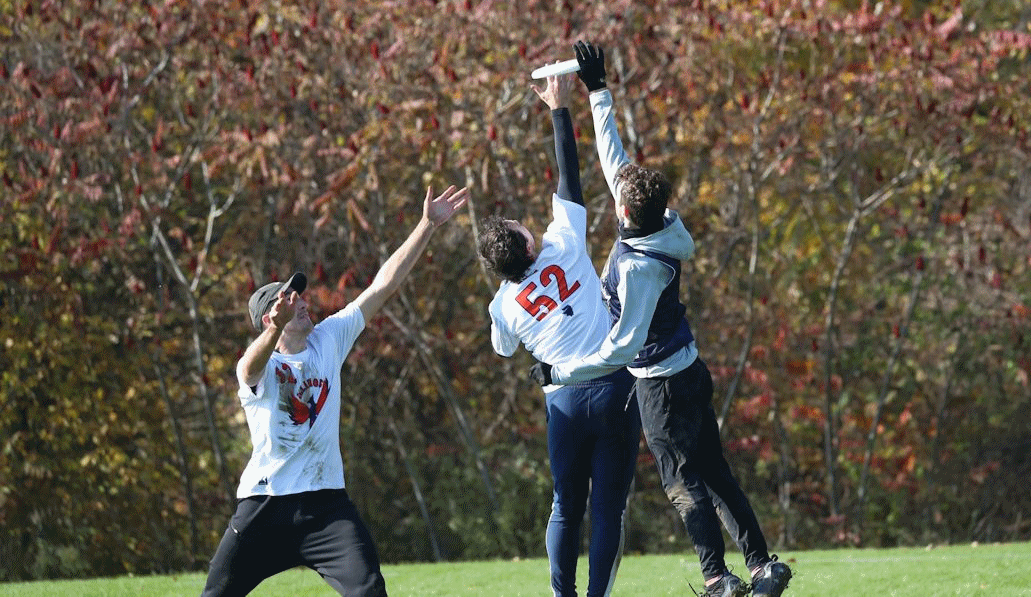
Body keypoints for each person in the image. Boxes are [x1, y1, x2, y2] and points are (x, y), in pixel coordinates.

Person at [532, 41, 793, 597]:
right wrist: (598, 91)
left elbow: (622, 349)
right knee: (715, 469)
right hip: (690, 369)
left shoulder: (638, 270)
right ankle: (762, 565)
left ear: (624, 211)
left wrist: (560, 373)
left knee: (682, 482)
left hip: (662, 386)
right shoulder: (661, 222)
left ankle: (717, 577)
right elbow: (615, 161)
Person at [200, 182, 470, 597]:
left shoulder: (328, 339)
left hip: (326, 505)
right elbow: (248, 368)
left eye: (299, 295)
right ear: (270, 319)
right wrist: (273, 332)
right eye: (289, 301)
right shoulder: (263, 367)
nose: (301, 301)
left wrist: (426, 226)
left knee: (369, 591)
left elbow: (382, 286)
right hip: (265, 505)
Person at [477, 72, 641, 597]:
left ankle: (562, 596)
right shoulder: (563, 241)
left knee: (565, 506)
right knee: (608, 507)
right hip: (613, 385)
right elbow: (569, 176)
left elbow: (503, 349)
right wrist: (558, 108)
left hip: (563, 404)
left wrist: (510, 304)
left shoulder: (503, 304)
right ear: (528, 246)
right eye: (523, 228)